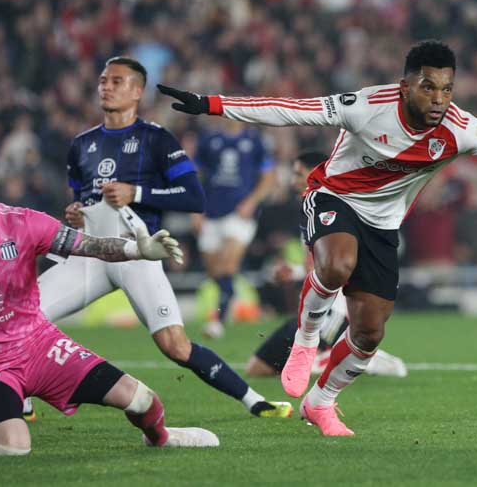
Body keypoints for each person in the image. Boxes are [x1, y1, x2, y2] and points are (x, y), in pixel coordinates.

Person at [158, 40, 477, 436]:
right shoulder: (366, 105)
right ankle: (305, 342)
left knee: (370, 336)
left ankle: (322, 402)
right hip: (333, 197)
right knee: (334, 265)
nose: (438, 99)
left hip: (383, 225)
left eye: (446, 89)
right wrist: (212, 104)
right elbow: (292, 109)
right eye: (428, 88)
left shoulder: (462, 129)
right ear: (405, 86)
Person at [0, 139, 219, 455]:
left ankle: (161, 438)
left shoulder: (21, 222)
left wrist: (138, 249)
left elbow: (89, 246)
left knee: (142, 399)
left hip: (40, 347)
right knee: (12, 447)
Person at [32, 56, 291, 420]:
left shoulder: (156, 139)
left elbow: (194, 197)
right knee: (25, 317)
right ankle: (21, 399)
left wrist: (136, 193)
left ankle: (253, 400)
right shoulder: (81, 144)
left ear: (137, 92)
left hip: (137, 253)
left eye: (117, 81)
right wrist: (75, 212)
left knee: (176, 346)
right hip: (90, 254)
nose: (106, 86)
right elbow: (81, 200)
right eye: (103, 80)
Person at [246, 151, 407, 380]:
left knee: (262, 368)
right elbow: (316, 266)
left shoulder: (336, 208)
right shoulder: (309, 206)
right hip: (316, 303)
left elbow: (340, 264)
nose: (293, 181)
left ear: (316, 173)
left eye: (298, 174)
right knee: (257, 368)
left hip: (335, 308)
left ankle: (359, 360)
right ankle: (339, 357)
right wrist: (293, 271)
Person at [193, 119, 277, 339]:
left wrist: (252, 201)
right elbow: (195, 175)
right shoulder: (209, 139)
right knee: (214, 272)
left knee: (227, 265)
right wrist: (195, 209)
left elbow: (268, 177)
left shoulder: (256, 141)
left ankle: (217, 322)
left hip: (240, 213)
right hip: (211, 212)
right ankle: (229, 295)